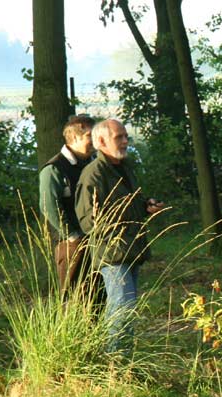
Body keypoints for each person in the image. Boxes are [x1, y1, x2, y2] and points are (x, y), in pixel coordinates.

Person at [75, 119, 164, 353]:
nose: (125, 141)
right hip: (113, 255)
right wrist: (121, 227)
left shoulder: (123, 167)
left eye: (126, 137)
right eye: (119, 137)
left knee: (127, 308)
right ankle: (116, 364)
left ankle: (122, 360)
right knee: (121, 309)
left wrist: (146, 206)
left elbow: (127, 203)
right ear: (101, 141)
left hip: (131, 250)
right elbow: (88, 222)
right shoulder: (92, 174)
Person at [39, 114, 96, 294]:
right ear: (75, 137)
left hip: (96, 240)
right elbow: (49, 206)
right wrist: (72, 235)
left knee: (98, 294)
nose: (95, 141)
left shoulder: (93, 165)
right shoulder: (54, 169)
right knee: (74, 297)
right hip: (71, 244)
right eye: (90, 137)